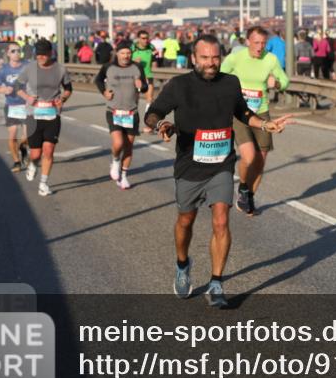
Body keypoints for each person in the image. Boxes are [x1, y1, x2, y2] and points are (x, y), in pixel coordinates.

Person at [145, 35, 294, 307]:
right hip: (189, 165)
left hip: (221, 165)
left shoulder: (230, 83)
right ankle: (182, 264)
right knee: (185, 222)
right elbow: (153, 113)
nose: (211, 63)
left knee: (221, 221)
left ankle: (216, 282)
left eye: (215, 57)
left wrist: (265, 125)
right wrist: (161, 126)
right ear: (193, 58)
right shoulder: (179, 86)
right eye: (205, 58)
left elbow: (243, 112)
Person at [221, 26, 290, 216]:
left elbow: (285, 80)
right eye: (256, 43)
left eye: (263, 43)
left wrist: (275, 83)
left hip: (262, 113)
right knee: (249, 156)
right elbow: (219, 75)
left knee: (261, 160)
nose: (260, 47)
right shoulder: (236, 57)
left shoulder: (270, 59)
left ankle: (248, 197)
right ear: (248, 41)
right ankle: (243, 187)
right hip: (240, 113)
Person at [13, 39, 73, 197]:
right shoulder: (29, 68)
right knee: (36, 154)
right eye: (38, 54)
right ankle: (32, 164)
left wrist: (64, 98)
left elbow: (68, 89)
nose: (40, 57)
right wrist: (26, 97)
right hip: (33, 114)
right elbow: (17, 87)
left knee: (49, 150)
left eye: (43, 54)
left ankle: (43, 184)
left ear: (50, 53)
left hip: (52, 113)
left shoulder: (60, 69)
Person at [94, 40, 149, 189]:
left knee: (129, 146)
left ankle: (123, 176)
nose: (126, 56)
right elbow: (98, 80)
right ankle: (115, 160)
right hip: (114, 111)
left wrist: (141, 86)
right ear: (117, 53)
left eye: (128, 53)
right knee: (118, 143)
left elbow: (144, 87)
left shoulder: (137, 67)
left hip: (132, 112)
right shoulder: (108, 67)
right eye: (123, 53)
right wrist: (104, 92)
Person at [0, 45, 30, 172]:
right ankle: (16, 162)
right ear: (8, 54)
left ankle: (23, 148)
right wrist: (4, 89)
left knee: (27, 137)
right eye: (13, 51)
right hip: (11, 106)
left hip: (26, 105)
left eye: (19, 50)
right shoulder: (3, 70)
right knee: (12, 135)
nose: (16, 53)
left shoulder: (27, 66)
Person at [131, 30, 156, 114]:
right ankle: (134, 114)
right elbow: (125, 61)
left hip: (148, 75)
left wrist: (155, 60)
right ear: (138, 39)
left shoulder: (151, 47)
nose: (145, 40)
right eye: (143, 38)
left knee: (150, 98)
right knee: (135, 98)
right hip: (135, 77)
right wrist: (133, 61)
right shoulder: (132, 48)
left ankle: (147, 117)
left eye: (147, 38)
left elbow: (154, 59)